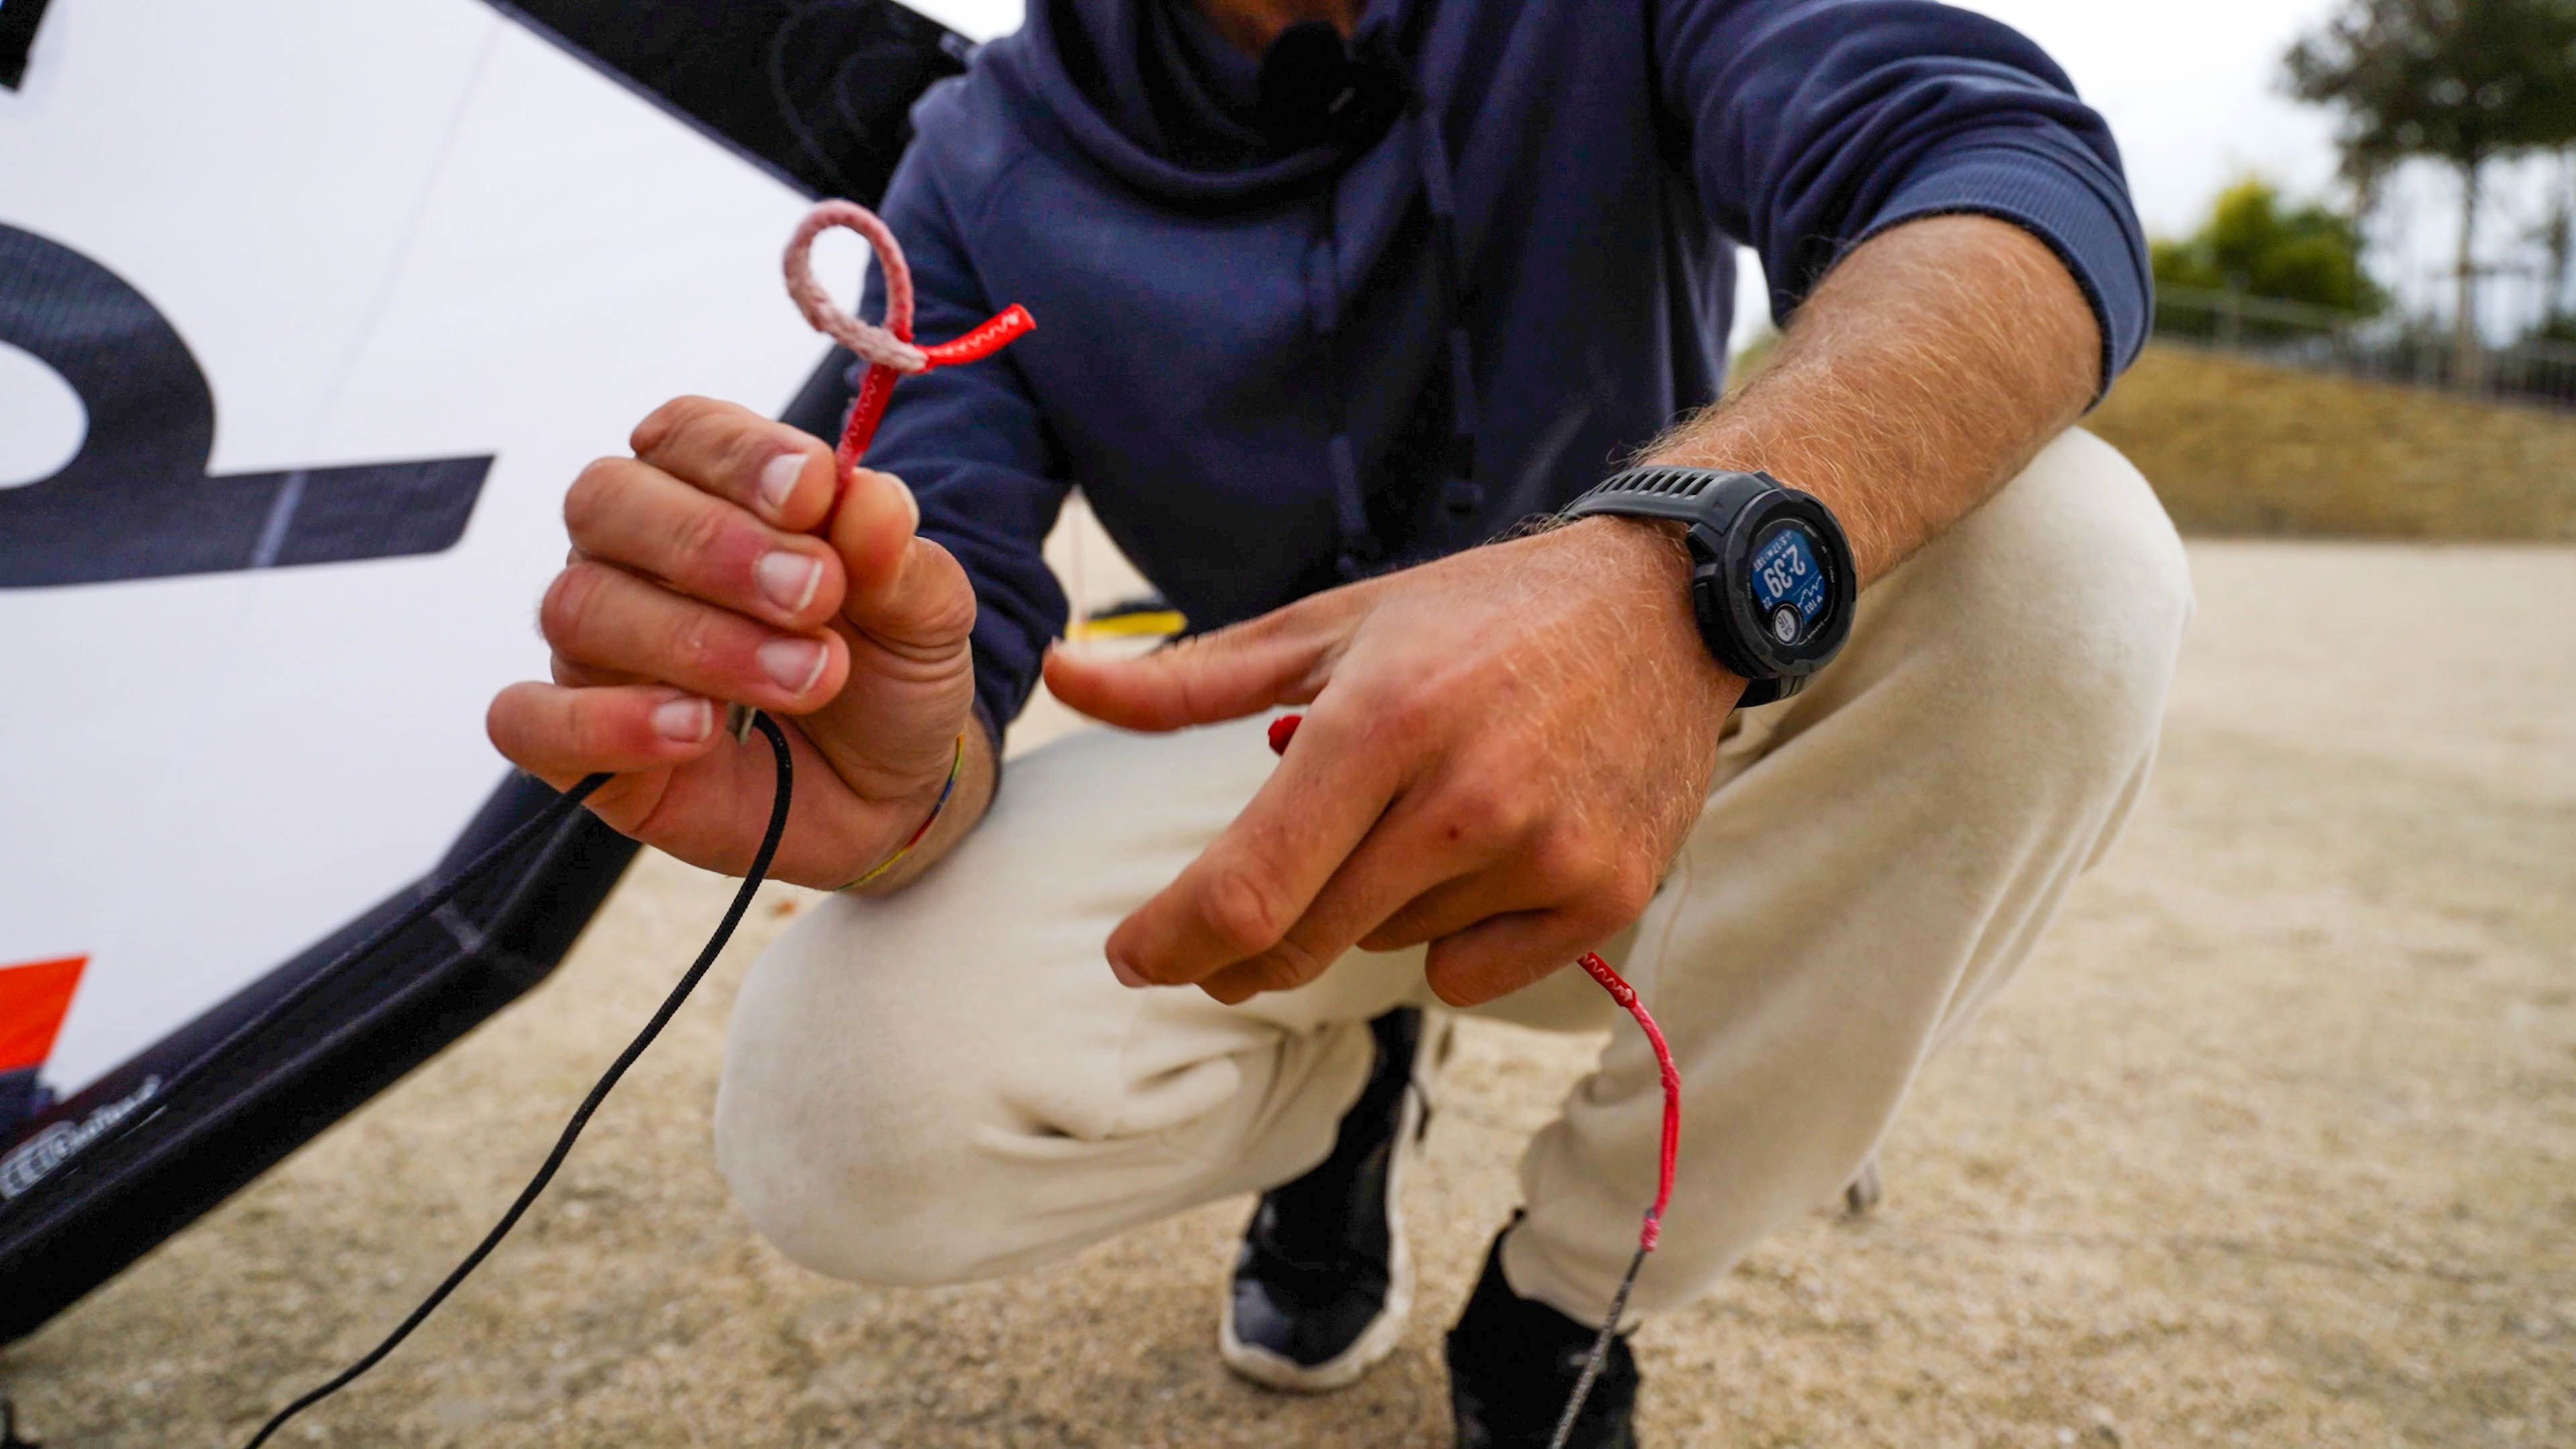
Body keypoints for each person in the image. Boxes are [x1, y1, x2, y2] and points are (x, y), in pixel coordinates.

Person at [484, 0, 2190, 1441]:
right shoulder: (972, 164)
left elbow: (2000, 169)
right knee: (835, 1126)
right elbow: (960, 611)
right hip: (1284, 774)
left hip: (1682, 712)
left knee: (2073, 559)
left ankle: (1566, 1302)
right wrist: (890, 764)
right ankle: (1347, 1083)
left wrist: (1664, 577)